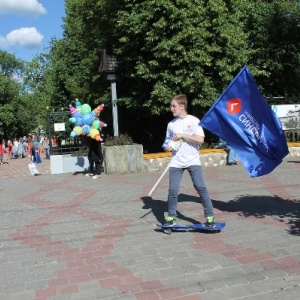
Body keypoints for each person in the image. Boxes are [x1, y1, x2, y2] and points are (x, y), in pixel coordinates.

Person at [163, 94, 215, 227]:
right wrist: (167, 146)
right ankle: (171, 217)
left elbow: (200, 139)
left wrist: (183, 135)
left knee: (200, 186)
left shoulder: (194, 121)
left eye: (173, 106)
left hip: (192, 160)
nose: (171, 108)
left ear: (182, 106)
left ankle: (209, 216)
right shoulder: (171, 125)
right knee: (173, 190)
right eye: (171, 106)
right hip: (176, 161)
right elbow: (166, 142)